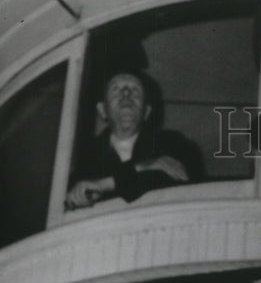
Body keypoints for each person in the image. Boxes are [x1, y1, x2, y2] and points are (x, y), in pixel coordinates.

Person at [65, 70, 203, 209]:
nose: (126, 94)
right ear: (102, 110)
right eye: (116, 90)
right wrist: (143, 167)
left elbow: (165, 181)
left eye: (135, 90)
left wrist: (104, 184)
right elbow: (74, 196)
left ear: (146, 112)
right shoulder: (87, 154)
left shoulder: (171, 142)